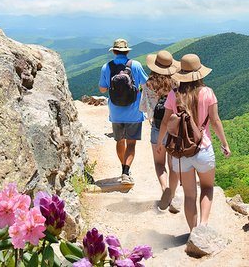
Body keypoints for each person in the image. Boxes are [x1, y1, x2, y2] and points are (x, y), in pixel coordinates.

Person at [156, 53, 231, 231]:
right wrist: (224, 144)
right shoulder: (207, 93)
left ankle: (192, 232)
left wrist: (160, 143)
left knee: (189, 195)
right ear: (199, 73)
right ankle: (203, 226)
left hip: (181, 153)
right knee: (207, 188)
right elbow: (215, 121)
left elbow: (166, 122)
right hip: (203, 149)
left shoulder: (174, 95)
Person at [99, 38, 148, 185]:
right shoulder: (136, 65)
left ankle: (123, 168)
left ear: (114, 51)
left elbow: (102, 89)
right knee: (131, 143)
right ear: (127, 51)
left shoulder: (106, 67)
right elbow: (145, 84)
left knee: (119, 141)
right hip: (134, 111)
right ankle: (126, 172)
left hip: (115, 112)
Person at [139, 50, 180, 210]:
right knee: (173, 164)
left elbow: (143, 108)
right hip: (174, 128)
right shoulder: (176, 84)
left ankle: (164, 189)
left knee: (159, 163)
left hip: (157, 126)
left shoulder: (148, 85)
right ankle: (173, 196)